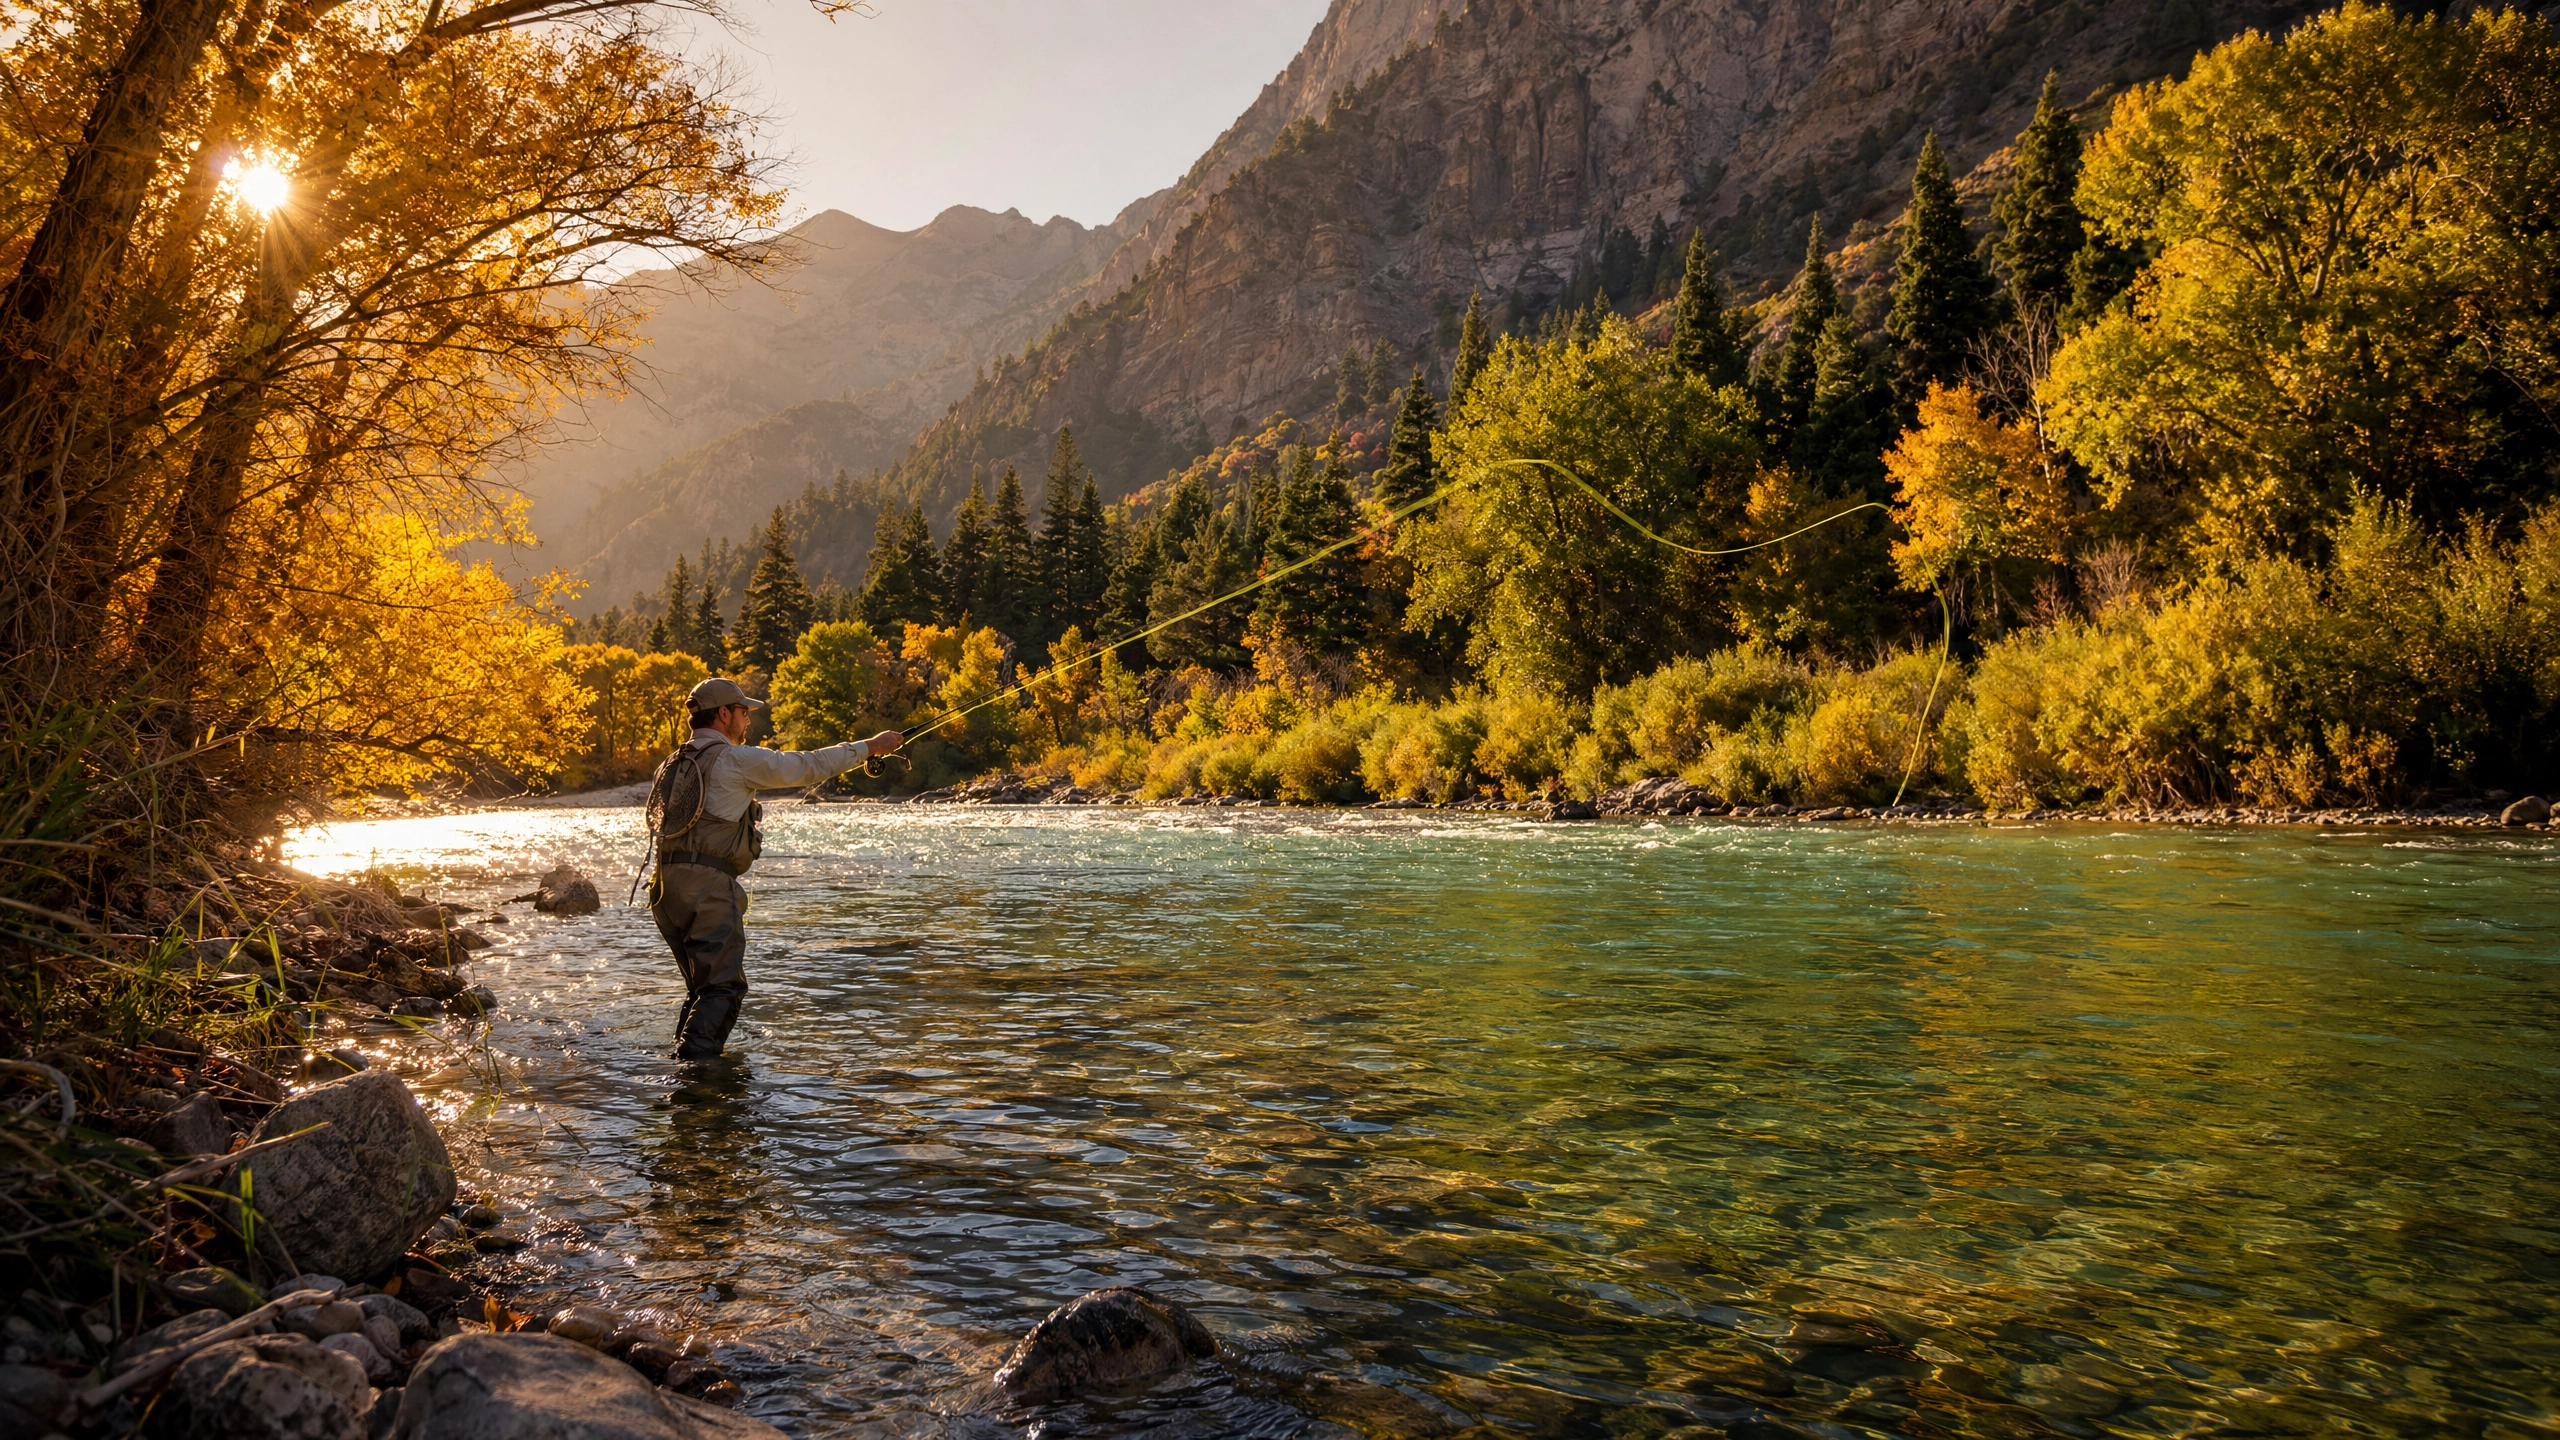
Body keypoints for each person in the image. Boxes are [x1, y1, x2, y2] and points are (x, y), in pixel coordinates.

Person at [648, 677, 902, 1060]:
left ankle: (682, 1069)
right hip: (708, 890)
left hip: (664, 890)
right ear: (723, 714)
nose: (747, 722)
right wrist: (870, 747)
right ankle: (694, 1083)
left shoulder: (671, 764)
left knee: (703, 989)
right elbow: (808, 766)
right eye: (743, 713)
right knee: (722, 990)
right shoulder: (735, 759)